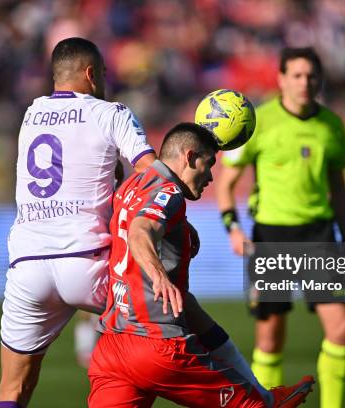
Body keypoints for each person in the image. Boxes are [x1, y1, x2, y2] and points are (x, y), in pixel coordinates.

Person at [89, 122, 314, 408]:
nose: (210, 177)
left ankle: (266, 397)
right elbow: (139, 231)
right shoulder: (168, 193)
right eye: (208, 165)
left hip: (112, 347)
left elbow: (137, 227)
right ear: (189, 156)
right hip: (155, 345)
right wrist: (159, 276)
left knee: (191, 310)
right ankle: (266, 401)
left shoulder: (133, 184)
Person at [0, 37, 156, 408]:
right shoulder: (110, 112)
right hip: (87, 262)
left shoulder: (31, 113)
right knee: (162, 343)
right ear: (91, 73)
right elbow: (151, 173)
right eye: (104, 73)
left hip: (28, 266)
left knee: (12, 391)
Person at [216, 47, 345, 408]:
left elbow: (337, 184)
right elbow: (226, 183)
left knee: (341, 327)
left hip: (319, 234)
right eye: (296, 75)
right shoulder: (257, 123)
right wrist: (233, 227)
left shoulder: (331, 126)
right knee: (270, 338)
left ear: (319, 79)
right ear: (280, 79)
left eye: (311, 76)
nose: (304, 82)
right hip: (271, 237)